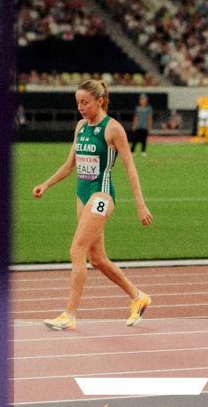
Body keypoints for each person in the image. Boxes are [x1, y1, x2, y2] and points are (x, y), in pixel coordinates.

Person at [33, 78, 153, 331]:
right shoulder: (80, 127)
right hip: (82, 194)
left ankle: (69, 314)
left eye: (85, 102)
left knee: (77, 250)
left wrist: (140, 205)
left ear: (100, 101)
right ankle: (138, 296)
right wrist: (46, 184)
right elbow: (70, 165)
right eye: (78, 103)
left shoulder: (113, 129)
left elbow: (131, 168)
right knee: (97, 259)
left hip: (102, 196)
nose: (81, 107)